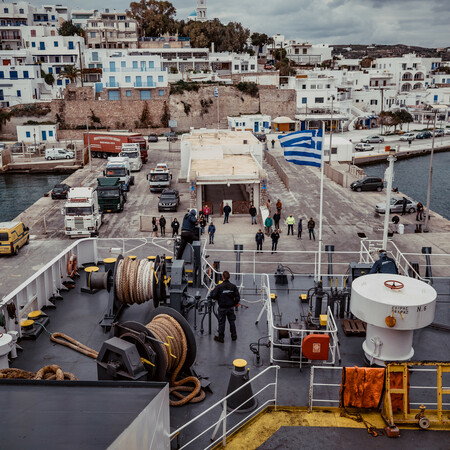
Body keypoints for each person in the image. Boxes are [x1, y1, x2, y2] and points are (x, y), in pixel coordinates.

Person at [209, 271, 240, 343]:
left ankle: (221, 338)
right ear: (229, 277)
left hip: (222, 308)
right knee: (232, 322)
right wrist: (234, 304)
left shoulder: (219, 287)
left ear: (222, 277)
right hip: (230, 308)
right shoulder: (233, 286)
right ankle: (234, 336)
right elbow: (238, 298)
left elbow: (213, 296)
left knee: (221, 323)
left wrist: (212, 291)